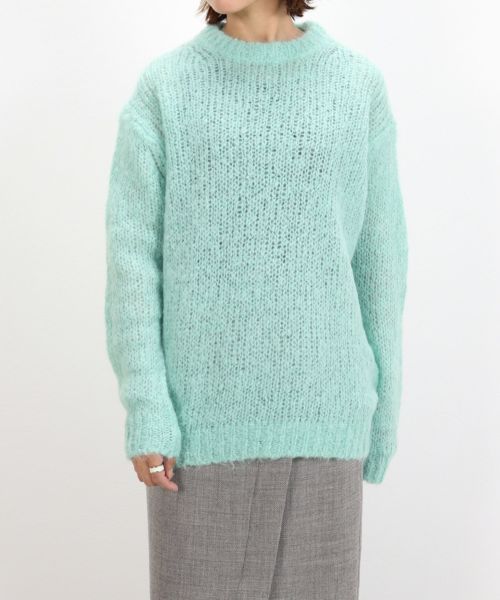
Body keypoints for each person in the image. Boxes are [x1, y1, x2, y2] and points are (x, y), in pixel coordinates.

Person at [104, 0, 408, 598]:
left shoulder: (356, 86)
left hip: (327, 421)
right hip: (199, 431)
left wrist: (384, 411)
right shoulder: (166, 88)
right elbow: (132, 263)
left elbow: (380, 261)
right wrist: (147, 408)